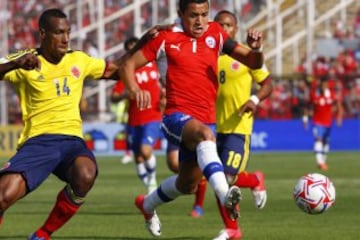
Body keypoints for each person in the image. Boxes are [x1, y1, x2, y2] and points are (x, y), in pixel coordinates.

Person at [118, 0, 264, 237]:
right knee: (205, 137)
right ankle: (225, 194)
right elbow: (127, 65)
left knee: (187, 185)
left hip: (207, 119)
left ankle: (146, 205)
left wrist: (256, 49)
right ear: (180, 14)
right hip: (174, 115)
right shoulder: (165, 37)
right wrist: (135, 90)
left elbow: (252, 61)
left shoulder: (215, 33)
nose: (200, 21)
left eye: (205, 14)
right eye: (193, 15)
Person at [212, 10, 273, 240]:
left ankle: (232, 229)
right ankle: (233, 227)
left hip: (238, 127)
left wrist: (254, 99)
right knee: (217, 180)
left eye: (228, 25)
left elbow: (267, 84)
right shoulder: (207, 54)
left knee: (226, 177)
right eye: (220, 25)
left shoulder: (245, 55)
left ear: (235, 29)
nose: (224, 28)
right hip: (210, 127)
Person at [111, 36, 164, 194]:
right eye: (131, 49)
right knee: (139, 158)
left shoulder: (154, 65)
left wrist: (164, 97)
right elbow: (113, 97)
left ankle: (152, 180)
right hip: (134, 120)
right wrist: (124, 95)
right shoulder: (127, 72)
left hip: (153, 115)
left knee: (145, 150)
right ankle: (149, 186)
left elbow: (165, 83)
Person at [302, 77, 343, 171]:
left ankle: (322, 161)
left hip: (328, 122)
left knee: (326, 142)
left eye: (326, 85)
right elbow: (307, 107)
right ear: (320, 85)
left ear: (327, 85)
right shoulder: (314, 94)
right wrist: (305, 119)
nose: (324, 87)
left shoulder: (331, 94)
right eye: (322, 85)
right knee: (318, 140)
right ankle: (320, 162)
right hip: (317, 122)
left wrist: (339, 117)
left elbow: (338, 105)